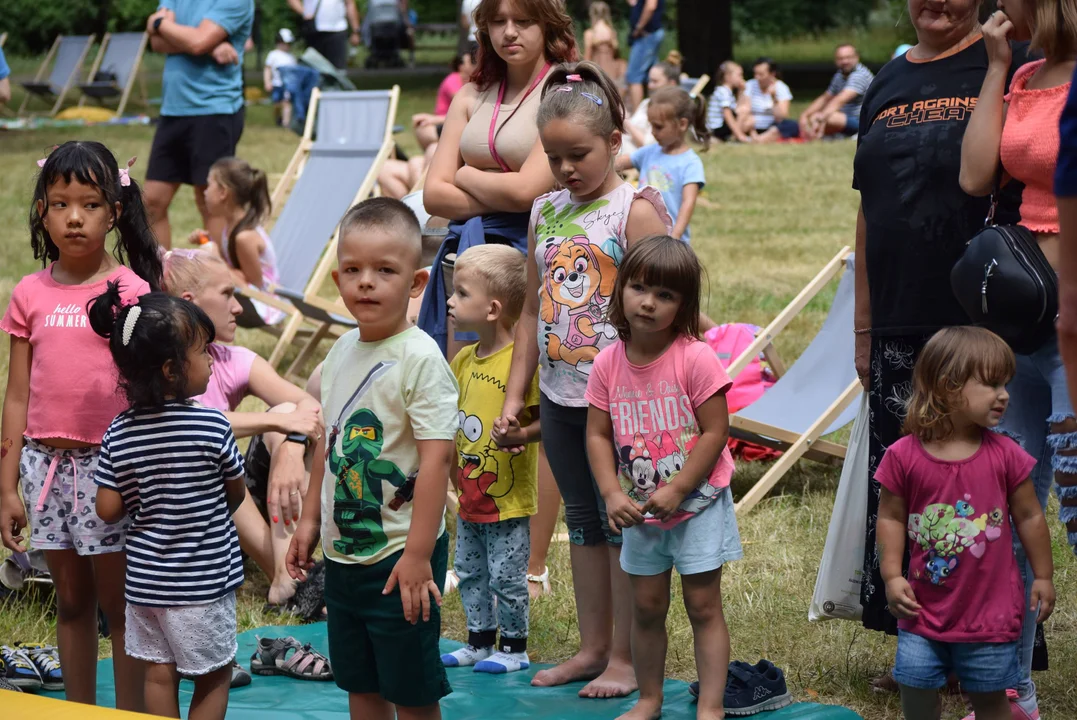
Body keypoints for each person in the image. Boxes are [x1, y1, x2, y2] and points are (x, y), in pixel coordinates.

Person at [853, 0, 1030, 687]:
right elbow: (866, 210)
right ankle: (922, 653)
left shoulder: (1005, 64)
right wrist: (864, 326)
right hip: (897, 315)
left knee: (975, 495)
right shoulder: (886, 79)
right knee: (910, 494)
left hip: (977, 316)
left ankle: (985, 655)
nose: (938, 2)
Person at [501, 61, 672, 698]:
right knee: (581, 518)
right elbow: (527, 310)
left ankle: (626, 657)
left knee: (619, 519)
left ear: (614, 145)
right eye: (554, 156)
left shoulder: (635, 211)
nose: (567, 168)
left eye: (580, 154)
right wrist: (518, 394)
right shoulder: (544, 212)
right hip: (560, 394)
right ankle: (594, 646)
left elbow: (668, 310)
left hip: (623, 404)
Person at [0, 141, 164, 710]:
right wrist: (6, 488)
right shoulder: (29, 294)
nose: (74, 217)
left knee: (119, 607)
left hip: (111, 471)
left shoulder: (132, 292)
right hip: (43, 469)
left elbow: (150, 389)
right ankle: (78, 710)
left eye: (90, 204)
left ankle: (130, 712)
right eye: (61, 203)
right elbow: (17, 393)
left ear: (114, 211)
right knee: (69, 602)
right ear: (42, 210)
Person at [421, 0, 575, 602]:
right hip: (467, 261)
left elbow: (532, 191)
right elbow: (434, 192)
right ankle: (482, 544)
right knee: (471, 402)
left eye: (525, 19)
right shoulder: (469, 92)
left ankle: (531, 564)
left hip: (533, 259)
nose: (509, 32)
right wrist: (491, 191)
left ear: (549, 25)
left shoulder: (563, 89)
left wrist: (465, 177)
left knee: (531, 410)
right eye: (497, 20)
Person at [287, 198, 460, 720]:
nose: (367, 282)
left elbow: (436, 463)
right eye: (355, 270)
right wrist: (310, 521)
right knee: (359, 682)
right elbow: (330, 440)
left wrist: (417, 555)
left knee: (410, 689)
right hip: (344, 558)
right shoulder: (341, 353)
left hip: (398, 557)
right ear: (338, 278)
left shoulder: (420, 360)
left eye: (385, 271)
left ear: (415, 283)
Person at [959, 3, 1077, 716]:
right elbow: (977, 176)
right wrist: (998, 67)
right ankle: (1008, 693)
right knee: (1002, 503)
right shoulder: (1028, 72)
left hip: (1074, 329)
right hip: (1026, 325)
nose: (1004, 8)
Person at [585, 236, 740, 720]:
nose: (648, 302)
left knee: (702, 606)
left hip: (698, 506)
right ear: (621, 291)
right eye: (639, 288)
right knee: (647, 607)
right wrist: (611, 491)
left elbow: (717, 430)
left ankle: (710, 706)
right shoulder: (609, 362)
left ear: (684, 306)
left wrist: (678, 488)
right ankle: (649, 699)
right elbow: (597, 435)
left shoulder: (694, 358)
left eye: (666, 295)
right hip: (640, 512)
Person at [875, 327, 1055, 720]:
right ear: (948, 385)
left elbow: (1030, 515)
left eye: (1005, 383)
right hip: (923, 611)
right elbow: (890, 516)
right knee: (915, 683)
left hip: (990, 616)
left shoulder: (1007, 455)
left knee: (990, 698)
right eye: (991, 384)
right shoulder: (904, 455)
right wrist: (891, 576)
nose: (1004, 394)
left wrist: (1043, 575)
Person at [88, 288, 246, 720]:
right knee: (214, 676)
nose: (213, 358)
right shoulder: (212, 425)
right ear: (173, 369)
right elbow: (236, 492)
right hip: (201, 584)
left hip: (145, 585)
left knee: (159, 674)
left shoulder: (119, 431)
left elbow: (107, 509)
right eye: (204, 351)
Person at [162, 250, 324, 610]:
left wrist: (291, 447)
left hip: (229, 523)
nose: (238, 308)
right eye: (227, 294)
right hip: (179, 526)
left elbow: (311, 407)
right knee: (214, 457)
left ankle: (286, 579)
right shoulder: (158, 366)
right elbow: (184, 425)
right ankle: (289, 578)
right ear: (190, 303)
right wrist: (276, 421)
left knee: (287, 414)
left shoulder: (231, 360)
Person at [440, 244, 541, 674]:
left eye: (461, 293)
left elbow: (543, 423)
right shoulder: (464, 359)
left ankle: (515, 648)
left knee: (507, 576)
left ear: (492, 309)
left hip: (507, 499)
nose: (449, 301)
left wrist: (520, 434)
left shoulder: (520, 364)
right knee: (469, 570)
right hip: (469, 496)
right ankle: (480, 641)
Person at [143, 0, 254, 250]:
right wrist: (203, 44)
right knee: (151, 202)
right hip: (173, 110)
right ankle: (160, 282)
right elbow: (157, 43)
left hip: (214, 110)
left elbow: (196, 42)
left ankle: (224, 281)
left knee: (212, 203)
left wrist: (158, 23)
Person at [188, 157, 283, 326]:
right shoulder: (230, 226)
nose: (205, 191)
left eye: (209, 185)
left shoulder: (244, 237)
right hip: (249, 299)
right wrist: (208, 241)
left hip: (266, 305)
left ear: (223, 192)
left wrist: (215, 257)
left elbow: (255, 287)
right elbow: (237, 272)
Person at [617, 86, 708, 243]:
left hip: (669, 242)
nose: (652, 132)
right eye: (651, 125)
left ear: (682, 124)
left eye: (658, 126)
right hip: (640, 235)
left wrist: (676, 235)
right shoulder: (649, 152)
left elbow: (688, 202)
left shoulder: (690, 163)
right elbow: (619, 163)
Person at [798, 44, 875, 141]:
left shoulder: (860, 75)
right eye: (840, 58)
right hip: (846, 118)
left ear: (857, 57)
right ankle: (838, 134)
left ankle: (855, 133)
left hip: (862, 121)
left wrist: (820, 118)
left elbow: (840, 100)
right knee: (816, 117)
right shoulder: (840, 75)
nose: (845, 61)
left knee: (828, 117)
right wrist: (805, 115)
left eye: (848, 57)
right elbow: (826, 97)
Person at [621, 54, 681, 155]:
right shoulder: (646, 102)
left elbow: (648, 145)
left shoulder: (670, 111)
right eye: (649, 81)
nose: (649, 85)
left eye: (655, 81)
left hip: (634, 155)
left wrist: (625, 120)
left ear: (671, 84)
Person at [288, 0, 360, 69]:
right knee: (314, 67)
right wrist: (304, 12)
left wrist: (355, 31)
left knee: (337, 68)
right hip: (314, 31)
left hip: (337, 31)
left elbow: (350, 4)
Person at [744, 58, 798, 142]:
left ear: (772, 74)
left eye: (761, 74)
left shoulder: (781, 88)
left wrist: (773, 97)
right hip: (752, 126)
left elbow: (781, 117)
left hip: (772, 126)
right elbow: (744, 111)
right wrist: (752, 131)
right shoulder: (749, 85)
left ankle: (759, 139)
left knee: (791, 125)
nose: (757, 77)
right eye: (755, 74)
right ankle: (757, 138)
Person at [625, 0, 665, 113]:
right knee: (652, 75)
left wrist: (639, 27)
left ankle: (638, 117)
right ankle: (657, 110)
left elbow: (651, 6)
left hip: (646, 35)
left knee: (634, 76)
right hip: (649, 35)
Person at [707, 61, 753, 143]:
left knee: (749, 120)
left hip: (722, 126)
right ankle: (736, 137)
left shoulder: (727, 92)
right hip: (717, 127)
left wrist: (741, 91)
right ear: (727, 77)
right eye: (739, 75)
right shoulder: (723, 91)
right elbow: (727, 114)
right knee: (744, 110)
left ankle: (736, 136)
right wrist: (740, 135)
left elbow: (737, 107)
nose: (741, 78)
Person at [264, 28, 298, 128]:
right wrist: (267, 82)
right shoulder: (273, 55)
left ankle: (286, 123)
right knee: (277, 103)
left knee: (286, 102)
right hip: (276, 83)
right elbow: (268, 69)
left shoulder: (291, 57)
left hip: (288, 84)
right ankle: (278, 119)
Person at [585, 2, 622, 90]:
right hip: (611, 69)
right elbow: (616, 52)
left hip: (597, 68)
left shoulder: (590, 33)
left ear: (592, 14)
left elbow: (587, 55)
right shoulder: (611, 32)